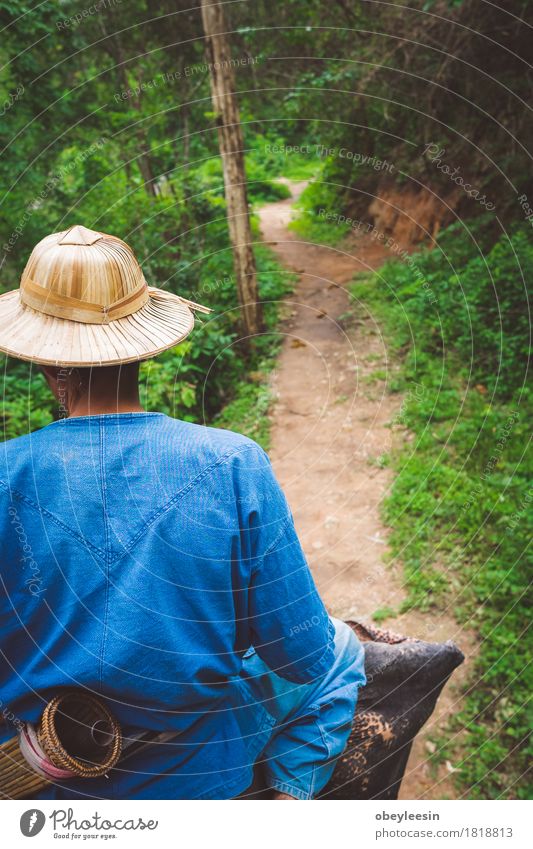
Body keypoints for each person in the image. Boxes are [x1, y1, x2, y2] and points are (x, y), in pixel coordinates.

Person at [0, 225, 365, 800]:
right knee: (342, 652)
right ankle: (288, 805)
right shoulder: (231, 463)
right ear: (145, 349)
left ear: (48, 364)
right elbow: (302, 655)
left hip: (45, 771)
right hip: (195, 774)